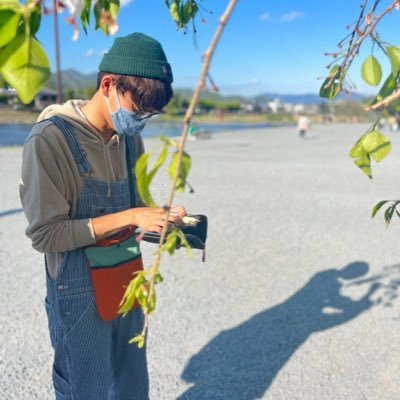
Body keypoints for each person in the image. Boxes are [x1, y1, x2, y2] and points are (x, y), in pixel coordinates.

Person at [19, 32, 186, 400]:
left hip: (125, 276)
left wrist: (163, 219)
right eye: (138, 108)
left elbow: (138, 209)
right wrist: (132, 215)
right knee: (86, 388)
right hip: (75, 286)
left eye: (150, 113)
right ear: (108, 84)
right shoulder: (50, 139)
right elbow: (45, 235)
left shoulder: (129, 139)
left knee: (130, 384)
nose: (141, 119)